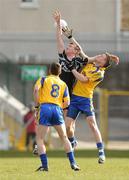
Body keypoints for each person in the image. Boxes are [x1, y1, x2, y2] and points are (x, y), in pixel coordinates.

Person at [62, 26, 119, 163]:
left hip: (86, 100)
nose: (98, 56)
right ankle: (73, 141)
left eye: (102, 57)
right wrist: (70, 37)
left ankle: (101, 152)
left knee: (93, 125)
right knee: (68, 127)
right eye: (100, 55)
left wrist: (72, 68)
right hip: (74, 98)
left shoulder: (99, 73)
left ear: (104, 63)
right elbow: (81, 51)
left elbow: (83, 79)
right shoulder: (92, 63)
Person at [53, 10, 97, 148]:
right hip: (59, 93)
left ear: (76, 50)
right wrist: (59, 25)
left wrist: (72, 38)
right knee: (54, 119)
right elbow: (59, 40)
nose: (68, 46)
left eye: (70, 46)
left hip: (71, 94)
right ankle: (40, 143)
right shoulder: (62, 57)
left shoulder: (79, 61)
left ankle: (72, 139)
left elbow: (85, 55)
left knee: (69, 126)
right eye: (68, 45)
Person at [33, 62, 80, 171]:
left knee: (39, 139)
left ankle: (45, 166)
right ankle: (73, 163)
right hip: (57, 109)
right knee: (64, 138)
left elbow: (36, 90)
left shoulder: (43, 79)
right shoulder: (63, 84)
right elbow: (67, 103)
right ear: (60, 72)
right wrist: (64, 116)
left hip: (45, 108)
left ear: (49, 70)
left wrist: (36, 107)